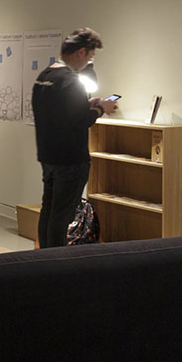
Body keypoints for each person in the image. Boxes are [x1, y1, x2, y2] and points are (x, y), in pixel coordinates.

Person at [32, 28, 117, 247]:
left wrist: (86, 104)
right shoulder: (70, 80)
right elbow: (81, 120)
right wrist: (102, 108)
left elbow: (60, 112)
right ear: (81, 52)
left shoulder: (44, 77)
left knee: (48, 210)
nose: (88, 62)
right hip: (70, 159)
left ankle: (43, 258)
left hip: (48, 156)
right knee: (62, 215)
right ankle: (57, 262)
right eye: (90, 57)